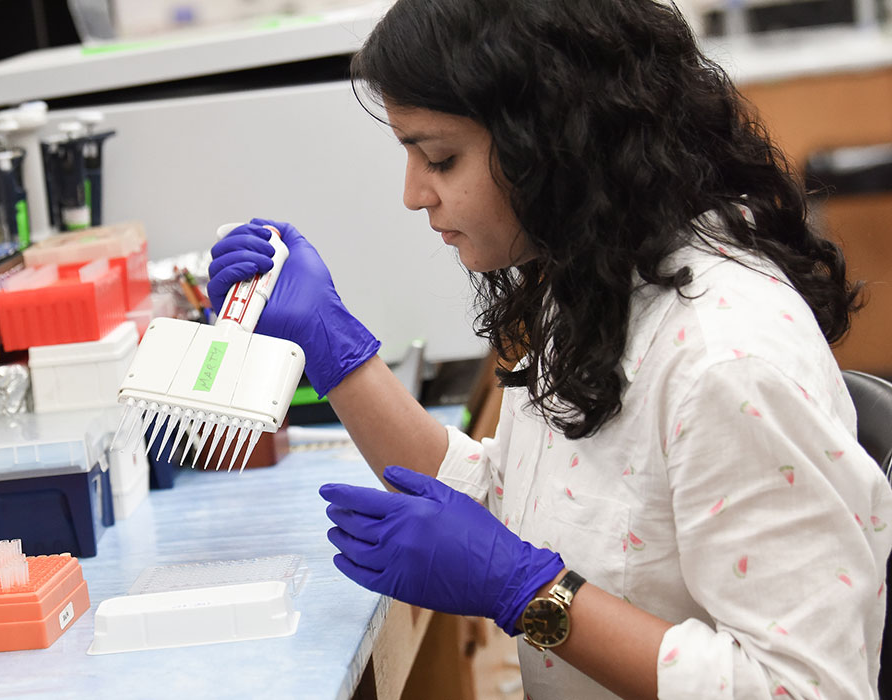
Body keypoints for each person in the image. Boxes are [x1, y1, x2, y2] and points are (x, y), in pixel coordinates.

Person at [207, 0, 892, 698]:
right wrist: (334, 348)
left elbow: (811, 689)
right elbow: (520, 511)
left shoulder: (725, 361)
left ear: (553, 140)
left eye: (440, 157)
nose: (413, 194)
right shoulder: (597, 281)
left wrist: (531, 592)